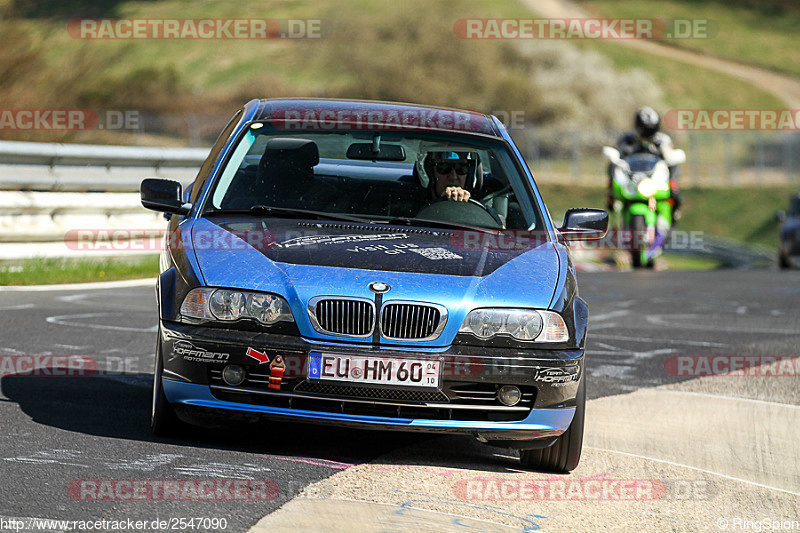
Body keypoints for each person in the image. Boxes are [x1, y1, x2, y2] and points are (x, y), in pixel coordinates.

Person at [608, 106, 683, 215]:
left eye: (650, 129)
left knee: (675, 196)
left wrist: (672, 182)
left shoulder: (662, 140)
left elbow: (671, 159)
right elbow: (616, 157)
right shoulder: (627, 139)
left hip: (655, 179)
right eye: (645, 129)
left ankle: (672, 218)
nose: (647, 133)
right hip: (632, 180)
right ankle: (616, 222)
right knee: (614, 196)